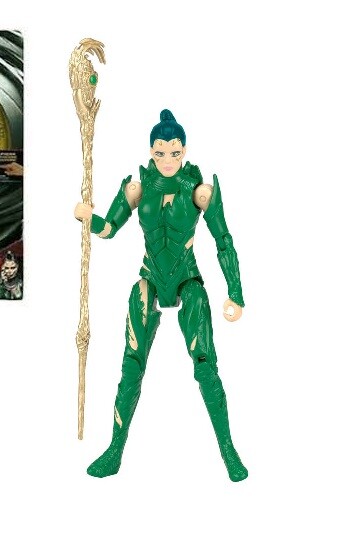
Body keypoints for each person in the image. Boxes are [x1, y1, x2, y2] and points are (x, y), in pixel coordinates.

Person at [74, 109, 248, 481]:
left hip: (187, 278)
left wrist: (235, 292)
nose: (167, 159)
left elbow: (224, 240)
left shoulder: (199, 191)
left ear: (184, 151)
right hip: (150, 277)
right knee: (131, 365)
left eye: (174, 152)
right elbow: (109, 230)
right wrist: (88, 218)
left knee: (205, 364)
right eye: (159, 153)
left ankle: (229, 451)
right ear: (150, 152)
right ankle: (114, 451)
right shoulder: (138, 189)